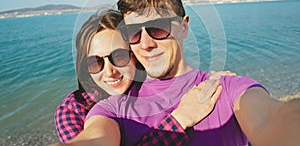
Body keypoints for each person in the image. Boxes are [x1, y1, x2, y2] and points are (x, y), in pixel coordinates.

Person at [53, 0, 300, 146]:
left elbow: (271, 118)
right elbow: (94, 138)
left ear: (184, 26)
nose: (146, 43)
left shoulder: (226, 88)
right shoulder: (111, 109)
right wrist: (180, 118)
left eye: (158, 28)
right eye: (133, 34)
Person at [53, 9, 228, 144]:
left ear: (135, 55)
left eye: (119, 57)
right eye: (95, 63)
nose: (109, 72)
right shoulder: (72, 110)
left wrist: (218, 81)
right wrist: (179, 120)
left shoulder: (149, 88)